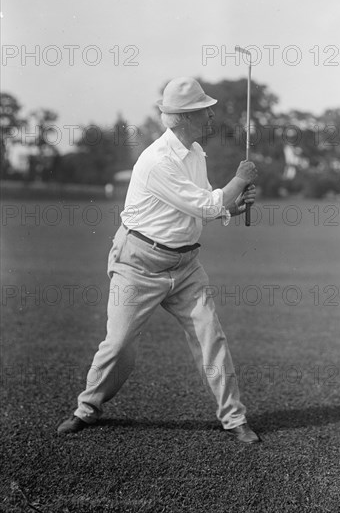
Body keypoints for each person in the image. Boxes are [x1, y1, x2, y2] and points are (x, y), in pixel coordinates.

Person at [57, 77, 260, 444]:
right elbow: (206, 203)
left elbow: (199, 206)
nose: (212, 115)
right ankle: (86, 410)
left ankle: (234, 419)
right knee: (118, 346)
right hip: (137, 265)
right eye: (204, 111)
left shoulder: (196, 152)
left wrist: (232, 206)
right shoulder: (155, 161)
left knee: (211, 337)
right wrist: (239, 180)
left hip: (185, 267)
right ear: (183, 118)